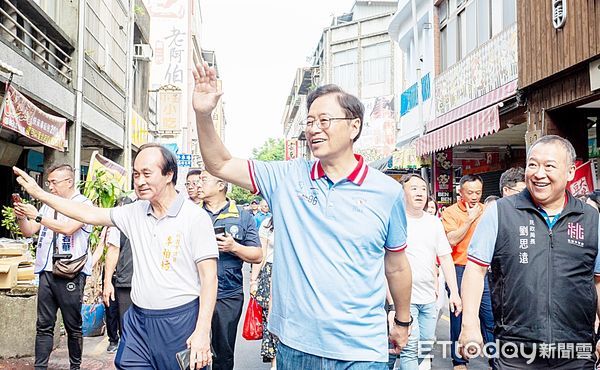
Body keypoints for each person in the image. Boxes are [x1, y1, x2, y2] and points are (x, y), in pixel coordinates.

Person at [192, 62, 412, 369]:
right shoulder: (287, 178)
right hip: (296, 348)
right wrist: (203, 114)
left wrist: (403, 320)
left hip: (361, 351)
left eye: (324, 120)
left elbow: (397, 266)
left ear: (354, 126)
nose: (313, 128)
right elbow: (221, 165)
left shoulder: (386, 192)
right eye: (309, 121)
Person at [13, 143, 218, 370]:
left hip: (179, 322)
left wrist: (202, 331)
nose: (139, 181)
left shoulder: (195, 218)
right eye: (136, 174)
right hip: (138, 320)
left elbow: (209, 278)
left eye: (147, 174)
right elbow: (89, 213)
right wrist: (40, 194)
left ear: (169, 174)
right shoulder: (134, 212)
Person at [460, 135, 600, 368]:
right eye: (532, 165)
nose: (538, 173)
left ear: (570, 172)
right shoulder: (501, 212)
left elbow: (597, 281)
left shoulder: (591, 218)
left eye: (549, 166)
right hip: (515, 348)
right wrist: (469, 323)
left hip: (576, 348)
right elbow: (475, 270)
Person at [13, 164, 92, 370]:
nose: (50, 187)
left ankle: (75, 366)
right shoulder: (48, 205)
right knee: (44, 325)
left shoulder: (83, 204)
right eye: (48, 183)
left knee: (73, 325)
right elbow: (30, 231)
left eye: (54, 182)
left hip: (70, 272)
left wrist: (37, 216)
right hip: (46, 271)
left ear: (69, 182)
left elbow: (67, 229)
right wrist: (22, 216)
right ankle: (40, 367)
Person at [389, 174, 462, 370]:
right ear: (402, 193)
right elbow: (386, 262)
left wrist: (454, 292)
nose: (420, 193)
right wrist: (391, 302)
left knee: (426, 343)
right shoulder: (395, 221)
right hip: (404, 298)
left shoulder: (434, 222)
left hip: (429, 297)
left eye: (423, 189)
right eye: (414, 188)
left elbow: (445, 257)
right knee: (411, 347)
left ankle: (396, 361)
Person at [197, 170, 262, 370]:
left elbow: (257, 254)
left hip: (227, 296)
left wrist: (234, 247)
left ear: (221, 185)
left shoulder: (242, 216)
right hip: (193, 293)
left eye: (203, 179)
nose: (198, 184)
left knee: (222, 352)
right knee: (192, 348)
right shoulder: (191, 213)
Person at [441, 174, 495, 370]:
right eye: (470, 192)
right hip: (459, 268)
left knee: (488, 315)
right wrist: (469, 220)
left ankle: (494, 357)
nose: (474, 196)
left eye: (478, 192)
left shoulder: (487, 211)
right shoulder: (450, 212)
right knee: (459, 314)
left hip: (482, 269)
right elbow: (452, 239)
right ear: (460, 192)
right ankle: (460, 360)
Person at [102, 196, 135, 353]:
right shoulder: (116, 226)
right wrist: (107, 281)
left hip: (142, 280)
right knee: (123, 321)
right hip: (124, 280)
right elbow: (113, 250)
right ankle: (118, 344)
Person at [251, 216, 278, 370]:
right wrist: (253, 280)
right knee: (269, 317)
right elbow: (262, 252)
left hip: (291, 272)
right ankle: (274, 361)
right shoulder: (268, 223)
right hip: (269, 271)